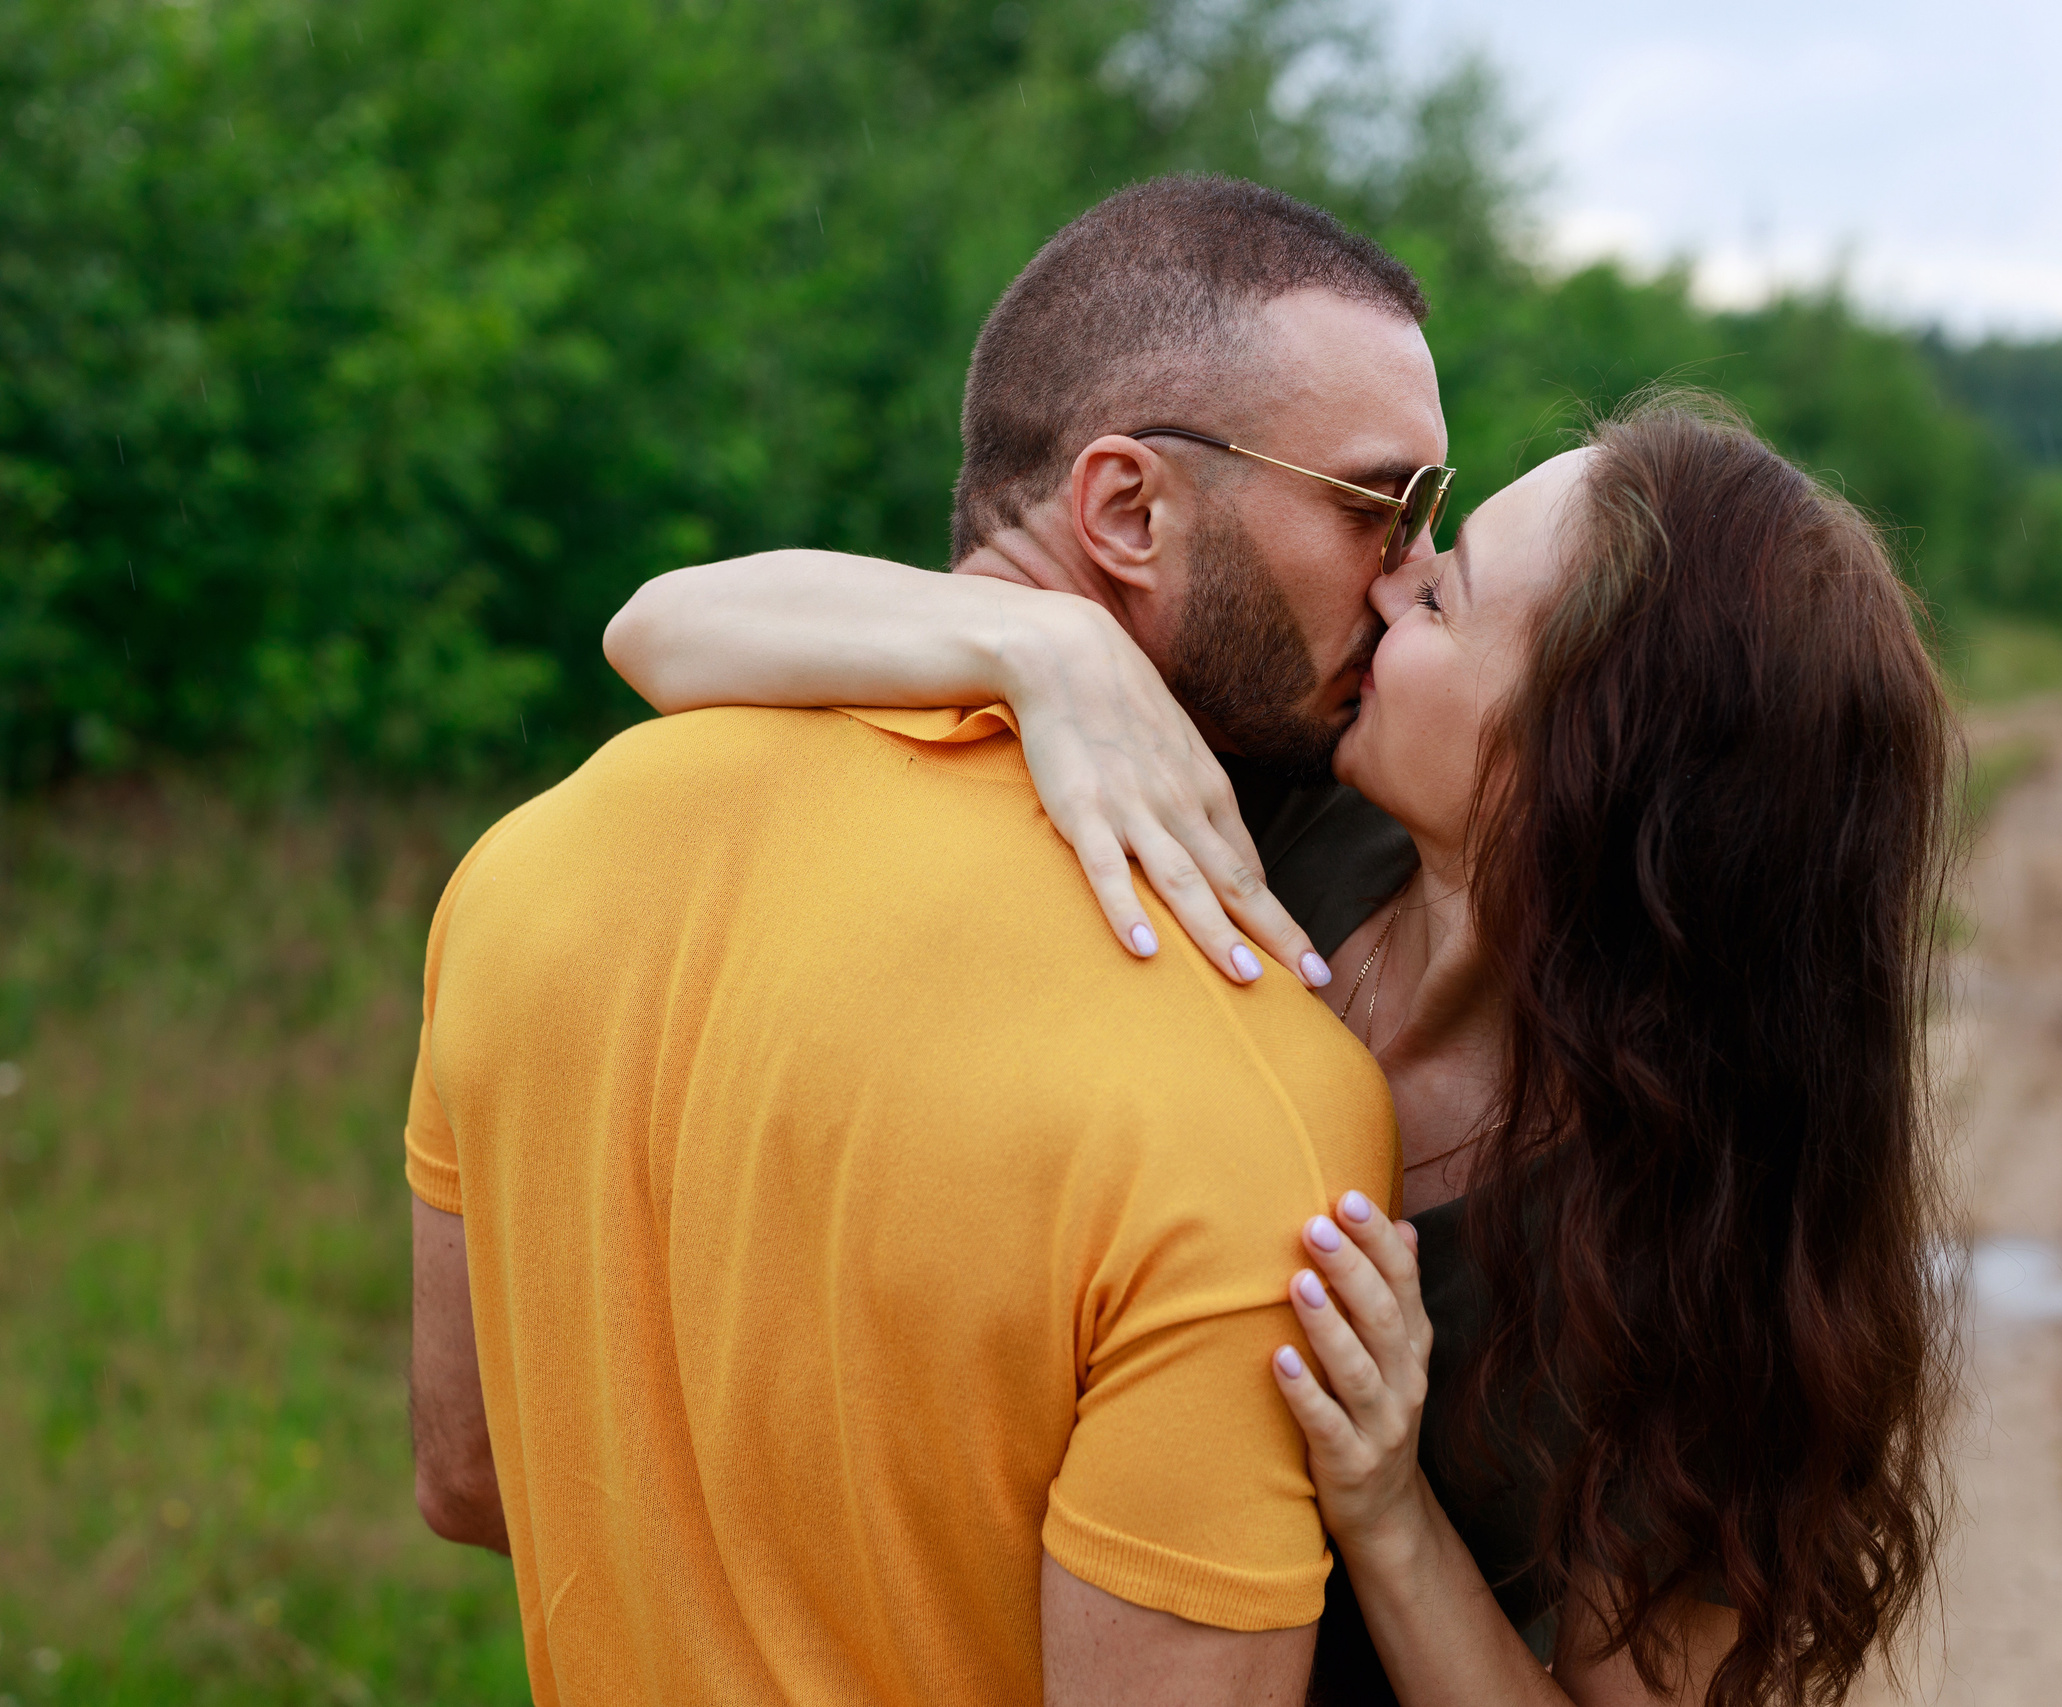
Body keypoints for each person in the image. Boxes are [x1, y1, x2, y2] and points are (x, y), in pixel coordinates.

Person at [606, 390, 1958, 1701]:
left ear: (1575, 759)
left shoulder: (1699, 1239)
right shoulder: (1267, 805)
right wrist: (1048, 652)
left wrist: (1390, 1513)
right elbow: (666, 626)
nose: (1387, 587)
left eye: (1445, 597)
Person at [405, 176, 1448, 1707]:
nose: (1413, 570)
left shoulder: (526, 868)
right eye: (1378, 504)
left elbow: (471, 1475)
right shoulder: (1259, 1087)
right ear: (1126, 510)